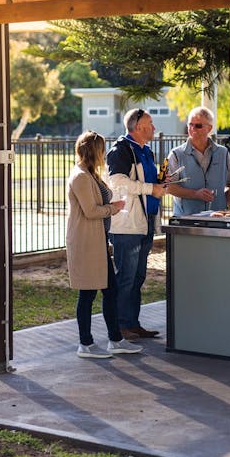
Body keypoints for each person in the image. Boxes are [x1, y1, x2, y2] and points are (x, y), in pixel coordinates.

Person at [66, 131, 143, 358]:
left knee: (110, 290)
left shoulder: (91, 174)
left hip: (98, 242)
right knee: (88, 294)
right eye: (102, 150)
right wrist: (114, 208)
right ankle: (85, 344)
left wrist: (112, 205)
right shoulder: (80, 176)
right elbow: (90, 211)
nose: (104, 155)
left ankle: (115, 339)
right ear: (95, 151)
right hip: (86, 243)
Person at [106, 109, 166, 340]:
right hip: (127, 226)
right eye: (150, 123)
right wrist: (151, 189)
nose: (154, 127)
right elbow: (118, 182)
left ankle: (132, 323)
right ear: (138, 127)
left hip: (145, 222)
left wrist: (160, 183)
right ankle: (121, 327)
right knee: (126, 277)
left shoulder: (146, 150)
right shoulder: (121, 150)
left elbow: (144, 181)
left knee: (138, 276)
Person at [165, 106, 230, 215]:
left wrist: (223, 204)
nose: (193, 128)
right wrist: (195, 194)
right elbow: (168, 187)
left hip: (216, 220)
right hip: (186, 220)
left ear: (209, 128)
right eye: (190, 124)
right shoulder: (176, 154)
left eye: (198, 125)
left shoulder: (223, 153)